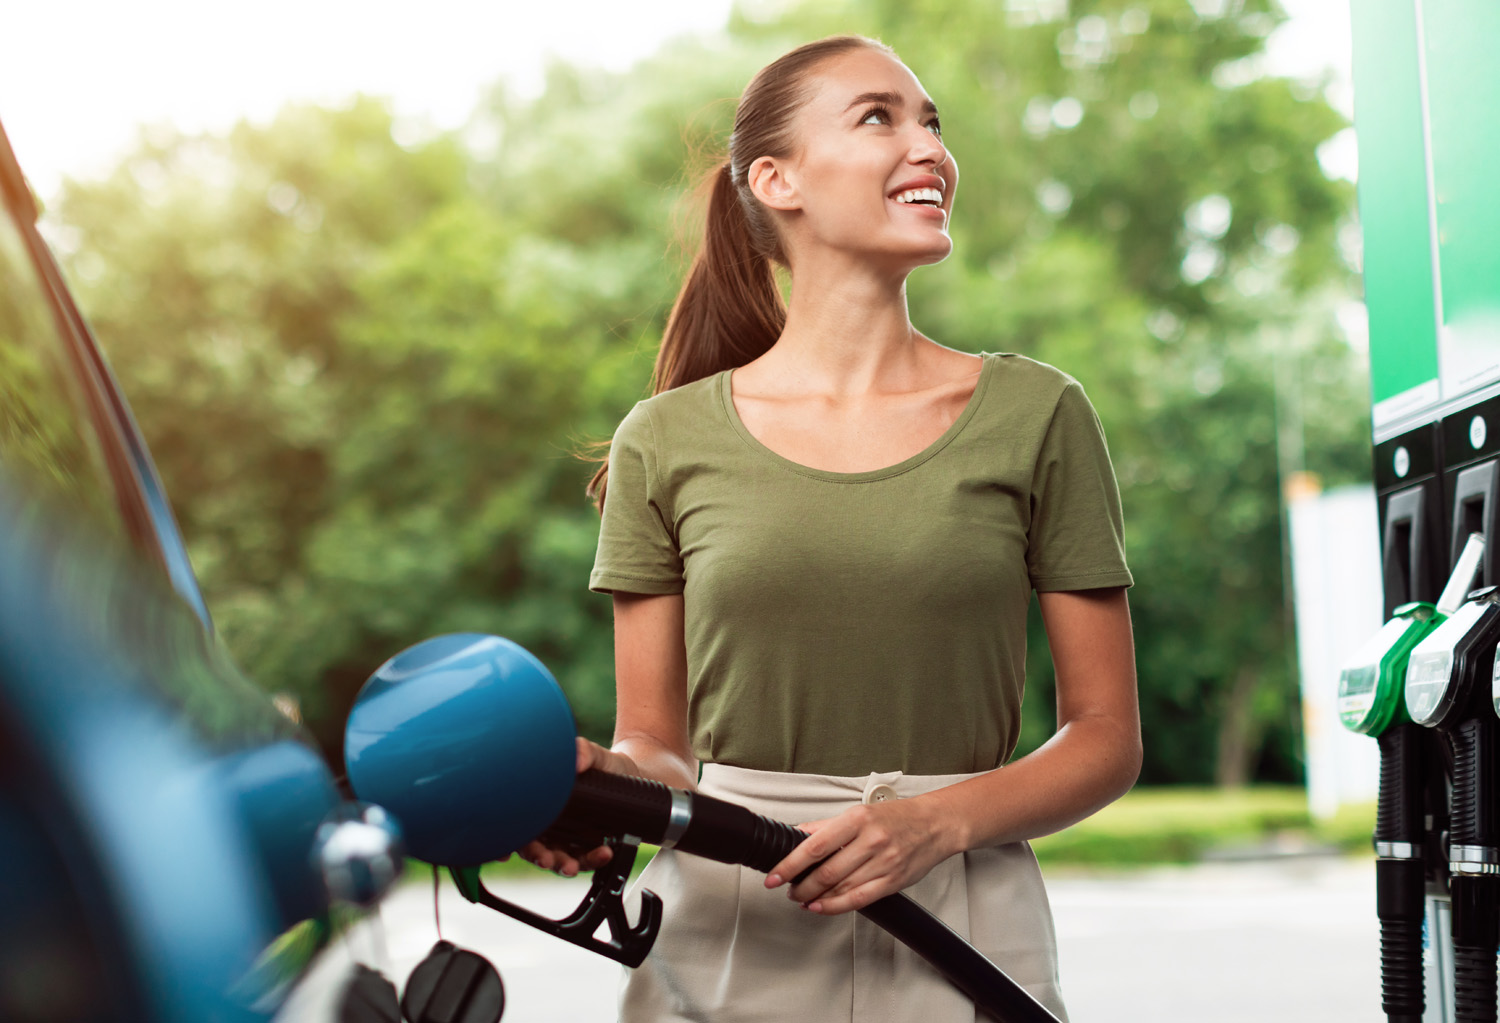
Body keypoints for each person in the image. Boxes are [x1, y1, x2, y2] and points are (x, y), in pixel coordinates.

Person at [524, 33, 1140, 1023]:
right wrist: (602, 789)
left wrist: (929, 825)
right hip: (735, 915)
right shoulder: (667, 439)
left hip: (966, 911)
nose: (930, 148)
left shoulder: (1038, 415)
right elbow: (662, 749)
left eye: (932, 123)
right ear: (777, 179)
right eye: (878, 118)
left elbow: (1105, 737)